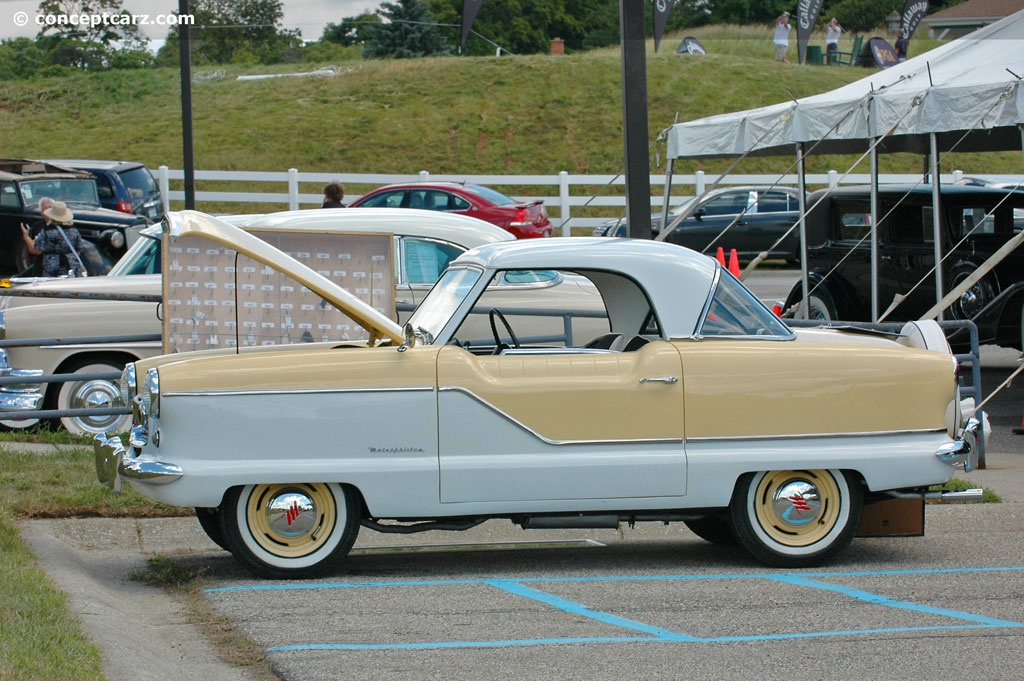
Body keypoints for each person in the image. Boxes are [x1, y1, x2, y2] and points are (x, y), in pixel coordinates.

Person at [20, 200, 86, 277]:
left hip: (52, 267)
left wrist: (26, 237)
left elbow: (37, 251)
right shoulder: (74, 230)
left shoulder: (48, 231)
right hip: (71, 267)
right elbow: (79, 248)